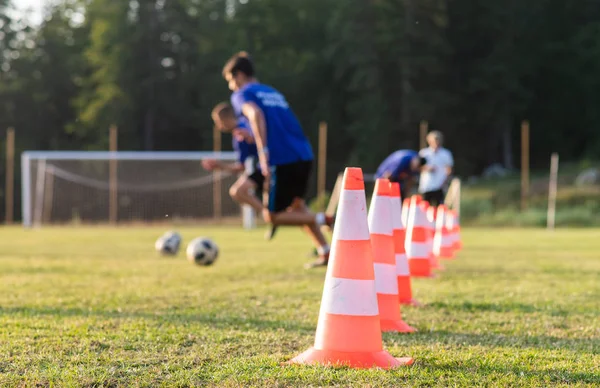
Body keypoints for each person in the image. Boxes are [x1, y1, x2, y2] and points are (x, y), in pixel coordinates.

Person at [222, 51, 334, 268]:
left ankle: (328, 219)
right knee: (298, 208)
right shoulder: (272, 92)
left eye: (230, 80)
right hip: (304, 152)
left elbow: (254, 115)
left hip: (282, 158)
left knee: (273, 216)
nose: (231, 87)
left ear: (239, 75)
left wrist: (263, 152)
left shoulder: (242, 94)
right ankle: (326, 251)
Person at [202, 102, 265, 217]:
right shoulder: (246, 120)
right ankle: (269, 214)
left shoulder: (239, 136)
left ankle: (267, 215)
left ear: (225, 119)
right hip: (272, 162)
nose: (218, 126)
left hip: (270, 165)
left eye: (218, 122)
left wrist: (219, 166)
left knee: (237, 192)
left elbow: (241, 167)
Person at [418, 130, 454, 207]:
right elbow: (418, 167)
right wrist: (427, 168)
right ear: (429, 141)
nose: (436, 142)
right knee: (425, 209)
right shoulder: (424, 153)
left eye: (438, 140)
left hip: (440, 186)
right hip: (426, 186)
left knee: (439, 209)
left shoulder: (446, 154)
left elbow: (449, 170)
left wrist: (445, 182)